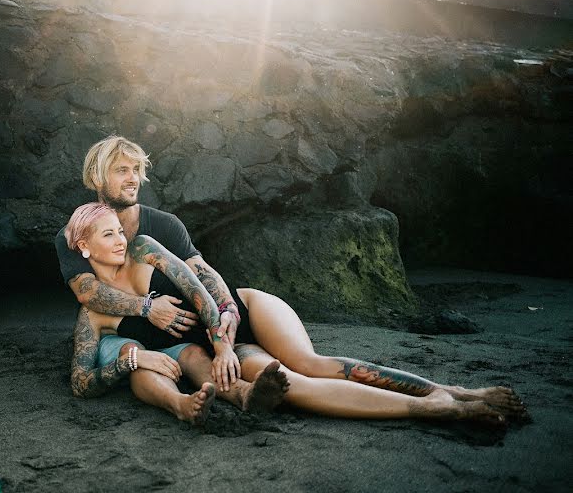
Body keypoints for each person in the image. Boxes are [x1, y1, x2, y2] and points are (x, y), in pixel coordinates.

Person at [55, 135, 527, 423]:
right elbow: (89, 294)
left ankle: (462, 390)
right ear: (98, 175)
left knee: (310, 361)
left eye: (138, 170)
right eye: (122, 170)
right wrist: (147, 313)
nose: (134, 178)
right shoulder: (75, 237)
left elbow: (209, 282)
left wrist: (223, 341)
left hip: (238, 311)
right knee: (291, 384)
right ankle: (438, 408)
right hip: (195, 341)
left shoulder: (163, 229)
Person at [66, 202, 289, 425]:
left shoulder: (142, 248)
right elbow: (80, 383)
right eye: (108, 235)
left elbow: (195, 287)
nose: (120, 241)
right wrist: (128, 361)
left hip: (186, 341)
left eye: (120, 232)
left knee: (193, 354)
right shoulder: (91, 312)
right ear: (84, 245)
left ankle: (245, 394)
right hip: (146, 350)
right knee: (140, 357)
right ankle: (182, 405)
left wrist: (221, 345)